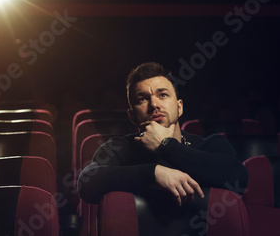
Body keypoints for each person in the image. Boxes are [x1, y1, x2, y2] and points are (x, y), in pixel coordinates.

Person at [77, 62, 249, 205]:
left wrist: (166, 146)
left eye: (163, 95)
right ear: (131, 116)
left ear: (179, 107)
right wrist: (154, 173)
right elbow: (87, 182)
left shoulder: (209, 145)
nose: (154, 104)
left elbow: (238, 178)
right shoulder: (120, 148)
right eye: (142, 99)